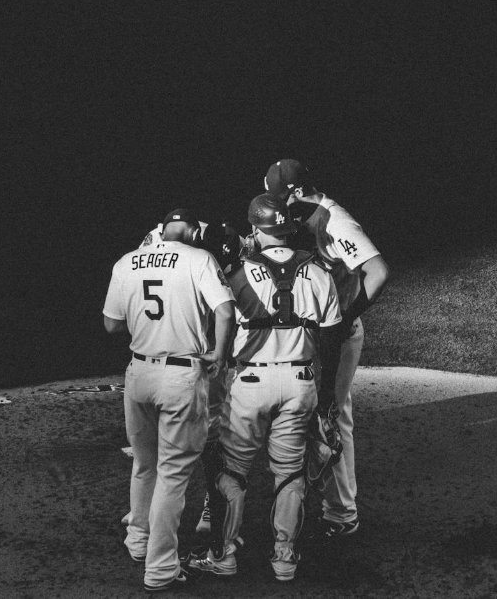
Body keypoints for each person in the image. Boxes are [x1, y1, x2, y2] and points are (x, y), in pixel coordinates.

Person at [186, 193, 344, 582]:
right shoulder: (321, 272)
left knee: (232, 471)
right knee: (290, 475)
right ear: (289, 228)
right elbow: (332, 343)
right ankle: (285, 558)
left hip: (250, 383)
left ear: (255, 230)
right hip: (300, 384)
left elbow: (213, 325)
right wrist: (326, 401)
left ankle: (223, 555)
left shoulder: (235, 273)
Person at [102, 208, 236, 593]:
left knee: (145, 465)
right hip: (180, 375)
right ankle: (160, 569)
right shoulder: (199, 258)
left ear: (160, 230)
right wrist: (219, 354)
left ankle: (138, 540)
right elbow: (225, 311)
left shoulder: (127, 261)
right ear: (193, 231)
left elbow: (111, 324)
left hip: (138, 373)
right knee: (173, 474)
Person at [263, 159, 390, 538]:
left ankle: (341, 512)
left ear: (299, 192)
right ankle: (329, 500)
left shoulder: (337, 221)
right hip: (320, 332)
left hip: (337, 333)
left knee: (330, 416)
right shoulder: (305, 214)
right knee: (319, 414)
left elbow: (379, 272)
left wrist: (343, 317)